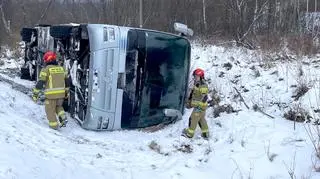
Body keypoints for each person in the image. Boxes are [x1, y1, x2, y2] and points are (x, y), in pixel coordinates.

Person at [32, 51, 68, 129]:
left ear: (47, 60)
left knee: (49, 110)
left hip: (51, 95)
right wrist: (66, 92)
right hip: (61, 94)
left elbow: (40, 83)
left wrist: (35, 94)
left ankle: (54, 127)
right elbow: (67, 81)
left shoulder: (46, 69)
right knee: (58, 106)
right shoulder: (62, 68)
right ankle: (63, 117)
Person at [182, 68, 209, 139]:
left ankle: (189, 134)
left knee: (193, 119)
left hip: (199, 107)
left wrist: (197, 104)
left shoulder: (203, 85)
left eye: (196, 76)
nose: (195, 78)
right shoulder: (197, 84)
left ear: (201, 77)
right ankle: (206, 133)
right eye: (195, 76)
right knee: (201, 119)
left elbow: (205, 97)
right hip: (200, 107)